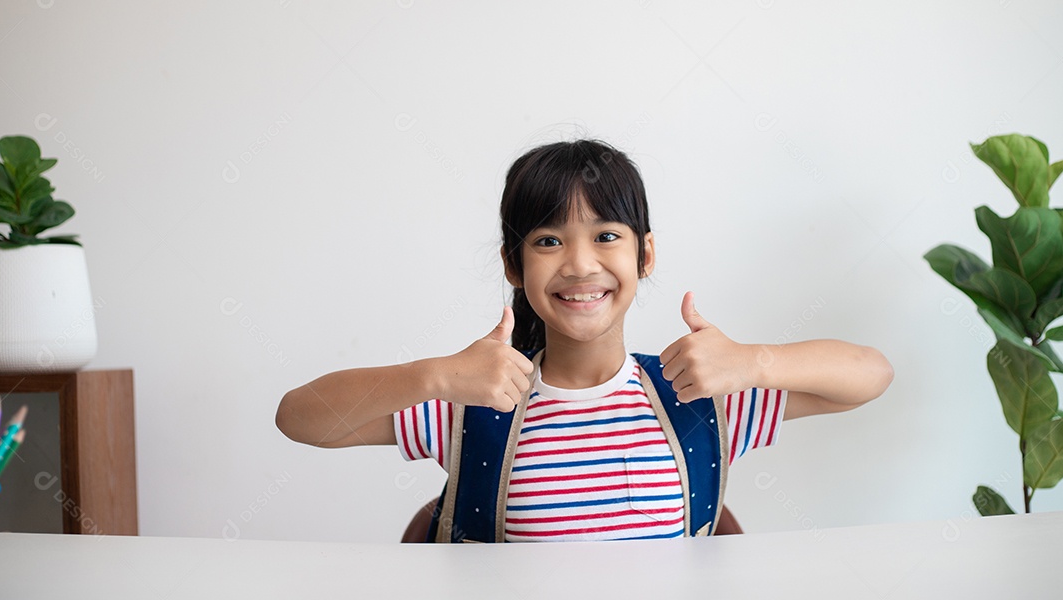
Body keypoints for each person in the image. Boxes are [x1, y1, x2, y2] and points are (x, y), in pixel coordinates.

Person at [275, 139, 893, 542]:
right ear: (514, 266)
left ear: (644, 253)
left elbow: (871, 374)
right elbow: (298, 418)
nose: (578, 264)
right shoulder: (475, 398)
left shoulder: (700, 390)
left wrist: (751, 362)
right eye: (547, 240)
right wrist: (433, 375)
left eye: (605, 236)